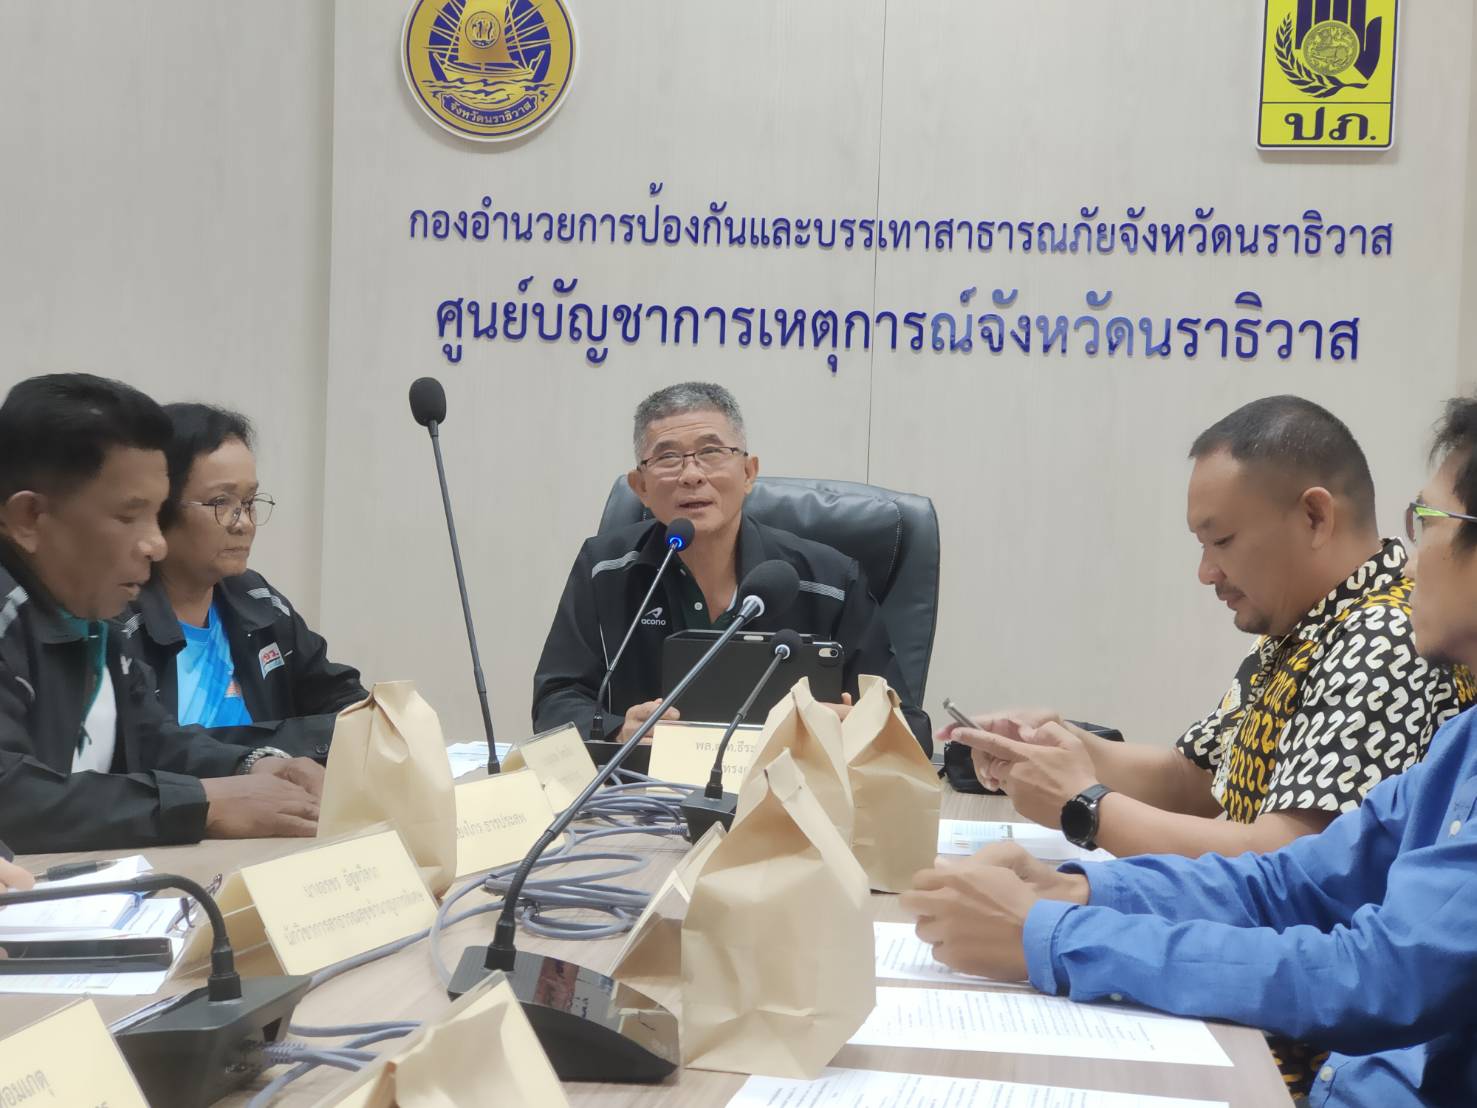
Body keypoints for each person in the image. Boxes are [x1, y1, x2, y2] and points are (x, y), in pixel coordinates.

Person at [902, 395, 1477, 1108]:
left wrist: (1074, 859)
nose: (1411, 560)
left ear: (1313, 517)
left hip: (1301, 1047)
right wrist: (1074, 887)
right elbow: (1282, 874)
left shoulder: (1382, 643)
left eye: (1427, 523)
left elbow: (1368, 973)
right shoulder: (1443, 730)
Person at [946, 396, 1470, 859]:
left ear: (1314, 517)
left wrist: (1086, 805)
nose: (1206, 572)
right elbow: (1191, 777)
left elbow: (1291, 862)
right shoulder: (1306, 624)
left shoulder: (1384, 639)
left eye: (1221, 542)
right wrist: (1059, 746)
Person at [0, 374, 323, 853]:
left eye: (156, 515)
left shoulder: (91, 614)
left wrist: (257, 765)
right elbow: (12, 797)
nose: (156, 544)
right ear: (30, 518)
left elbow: (152, 737)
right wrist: (203, 803)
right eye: (128, 516)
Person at [533, 381, 931, 750]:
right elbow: (555, 701)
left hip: (791, 793)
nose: (691, 475)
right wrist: (617, 729)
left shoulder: (830, 582)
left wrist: (857, 728)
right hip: (643, 790)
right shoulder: (606, 569)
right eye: (668, 457)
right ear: (641, 487)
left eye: (711, 452)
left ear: (748, 473)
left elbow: (914, 729)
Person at [125, 403, 366, 758]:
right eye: (220, 502)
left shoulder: (255, 597)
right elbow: (156, 756)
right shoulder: (118, 621)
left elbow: (340, 698)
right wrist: (268, 754)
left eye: (250, 501)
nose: (244, 523)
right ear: (159, 508)